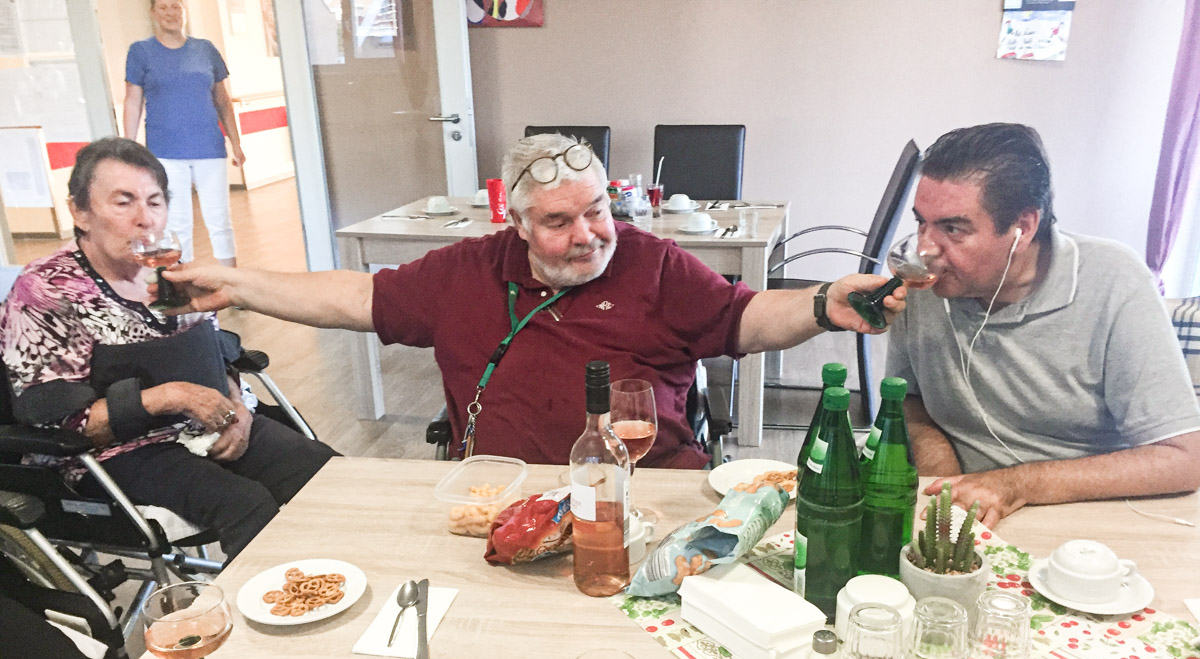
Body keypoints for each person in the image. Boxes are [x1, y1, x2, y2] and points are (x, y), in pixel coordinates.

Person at [162, 132, 906, 467]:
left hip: (643, 497)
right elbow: (356, 297)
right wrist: (238, 283)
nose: (589, 236)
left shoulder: (654, 263)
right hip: (502, 503)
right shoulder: (466, 271)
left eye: (598, 211)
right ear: (514, 225)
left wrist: (818, 304)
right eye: (558, 222)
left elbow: (743, 318)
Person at [0, 137, 337, 560]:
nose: (146, 220)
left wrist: (239, 412)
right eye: (124, 203)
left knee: (329, 475)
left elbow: (215, 354)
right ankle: (271, 612)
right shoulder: (48, 290)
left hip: (203, 427)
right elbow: (54, 422)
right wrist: (170, 396)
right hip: (112, 454)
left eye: (155, 202)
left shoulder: (169, 271)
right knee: (245, 505)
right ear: (80, 212)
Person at [885, 123, 1200, 527]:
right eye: (921, 223)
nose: (926, 249)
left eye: (953, 229)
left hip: (1076, 517)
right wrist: (942, 473)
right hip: (957, 509)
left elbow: (1183, 458)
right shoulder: (924, 282)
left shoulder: (1113, 281)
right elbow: (906, 399)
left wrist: (1017, 483)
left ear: (1024, 227)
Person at [123, 0, 244, 267]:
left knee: (219, 218)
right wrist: (127, 150)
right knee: (176, 222)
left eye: (176, 7)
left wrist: (236, 143)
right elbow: (133, 102)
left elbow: (222, 100)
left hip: (208, 147)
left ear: (184, 11)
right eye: (164, 7)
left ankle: (230, 282)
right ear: (153, 13)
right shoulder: (141, 52)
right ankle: (183, 282)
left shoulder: (205, 49)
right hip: (165, 151)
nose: (170, 13)